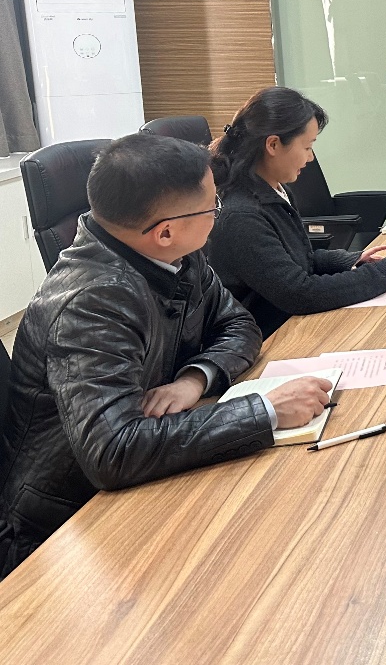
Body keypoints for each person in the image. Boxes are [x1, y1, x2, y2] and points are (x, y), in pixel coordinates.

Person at [0, 134, 332, 576]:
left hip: (141, 480)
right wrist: (265, 410)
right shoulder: (91, 303)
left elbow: (238, 324)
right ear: (166, 231)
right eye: (213, 207)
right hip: (62, 531)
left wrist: (194, 379)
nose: (218, 215)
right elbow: (114, 450)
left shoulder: (175, 255)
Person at [206, 86, 386, 339]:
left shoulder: (274, 191)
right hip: (270, 339)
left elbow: (297, 260)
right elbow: (300, 293)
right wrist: (385, 273)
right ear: (273, 144)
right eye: (307, 147)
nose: (311, 158)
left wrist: (351, 260)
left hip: (292, 325)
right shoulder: (241, 216)